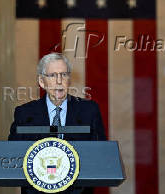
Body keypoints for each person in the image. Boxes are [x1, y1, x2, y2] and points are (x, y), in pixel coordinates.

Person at [8, 53, 106, 194]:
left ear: (69, 80)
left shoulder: (89, 110)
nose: (59, 81)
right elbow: (13, 157)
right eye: (53, 75)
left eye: (64, 75)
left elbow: (100, 155)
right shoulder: (25, 113)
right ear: (42, 82)